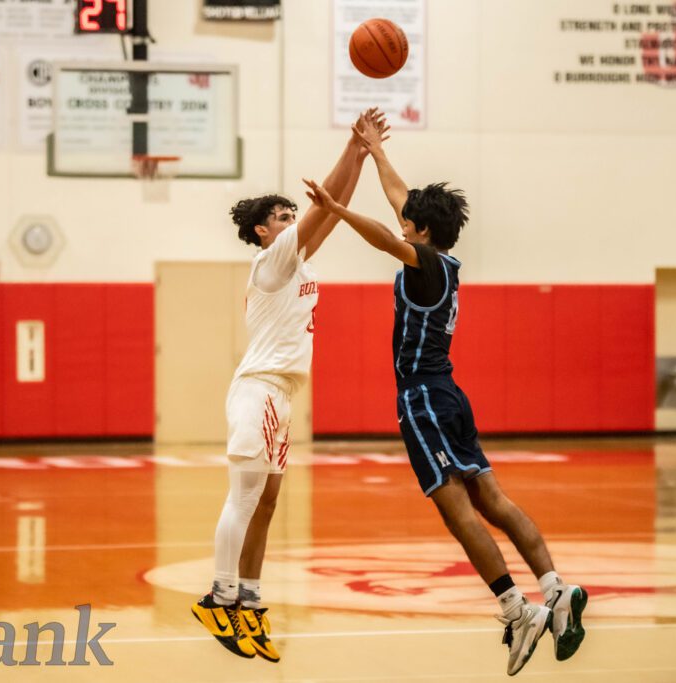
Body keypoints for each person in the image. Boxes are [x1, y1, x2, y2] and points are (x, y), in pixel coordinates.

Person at [302, 116, 587, 677]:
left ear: (422, 231)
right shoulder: (443, 259)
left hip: (424, 399)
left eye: (408, 222)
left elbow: (387, 235)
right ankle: (556, 589)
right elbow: (401, 202)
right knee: (493, 500)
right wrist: (376, 152)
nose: (401, 221)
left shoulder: (424, 262)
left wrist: (335, 210)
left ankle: (517, 610)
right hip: (450, 393)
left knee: (457, 512)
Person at [192, 110, 385, 663]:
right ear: (262, 230)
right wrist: (351, 149)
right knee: (244, 497)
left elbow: (330, 211)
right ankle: (218, 598)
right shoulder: (270, 263)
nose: (293, 219)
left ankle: (250, 603)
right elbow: (326, 206)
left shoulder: (296, 262)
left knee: (268, 502)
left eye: (291, 214)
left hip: (281, 396)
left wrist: (360, 155)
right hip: (258, 390)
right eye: (282, 216)